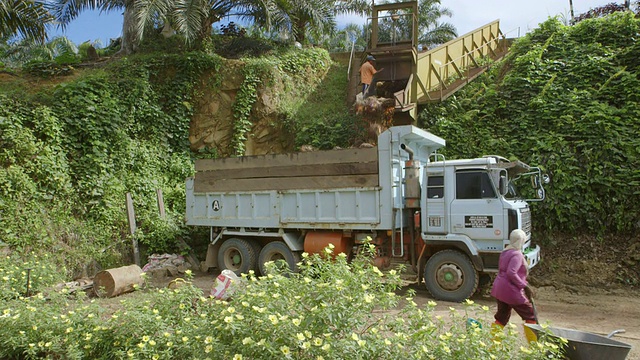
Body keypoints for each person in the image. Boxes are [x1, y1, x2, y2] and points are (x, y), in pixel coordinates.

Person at [490, 229, 538, 342]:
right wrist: (524, 286)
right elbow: (511, 273)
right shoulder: (517, 255)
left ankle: (493, 347)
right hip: (511, 291)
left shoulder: (505, 252)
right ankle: (535, 348)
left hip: (500, 290)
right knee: (530, 315)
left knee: (501, 317)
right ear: (521, 241)